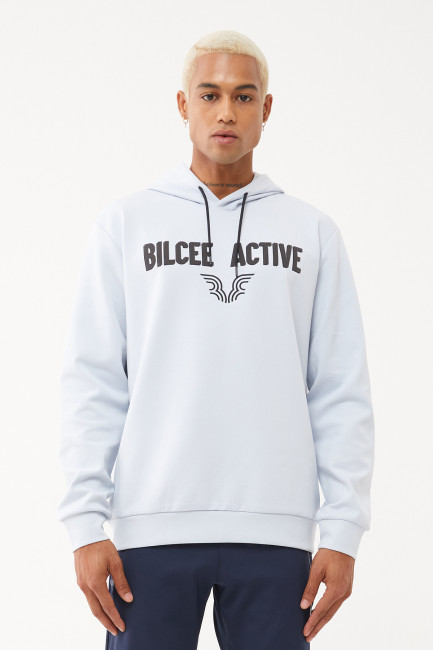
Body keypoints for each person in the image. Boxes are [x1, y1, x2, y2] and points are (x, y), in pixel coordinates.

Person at [56, 29, 375, 649]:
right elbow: (93, 379)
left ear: (266, 108)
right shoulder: (126, 225)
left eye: (243, 96)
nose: (226, 111)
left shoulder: (312, 232)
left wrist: (343, 531)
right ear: (183, 105)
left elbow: (340, 388)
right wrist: (84, 523)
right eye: (210, 95)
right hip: (150, 527)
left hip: (277, 530)